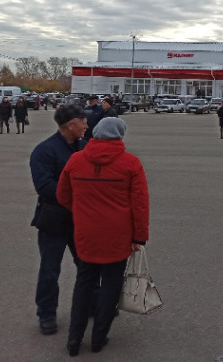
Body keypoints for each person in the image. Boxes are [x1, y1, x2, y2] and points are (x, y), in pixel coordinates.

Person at [57, 117, 150, 356]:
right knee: (111, 284)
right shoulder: (130, 163)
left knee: (84, 283)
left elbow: (63, 195)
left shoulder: (76, 160)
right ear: (120, 136)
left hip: (86, 232)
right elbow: (139, 205)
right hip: (117, 235)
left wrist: (81, 211)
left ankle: (74, 340)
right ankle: (99, 337)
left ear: (96, 133)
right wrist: (139, 237)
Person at [29, 105, 88, 336]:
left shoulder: (85, 147)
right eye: (83, 121)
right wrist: (77, 195)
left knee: (86, 266)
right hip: (53, 218)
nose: (86, 125)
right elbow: (44, 186)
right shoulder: (44, 151)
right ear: (70, 125)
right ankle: (46, 314)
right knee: (49, 269)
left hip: (80, 218)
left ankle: (92, 302)